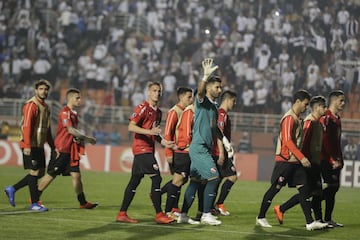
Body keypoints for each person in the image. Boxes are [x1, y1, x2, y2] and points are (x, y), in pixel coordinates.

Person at [255, 89, 328, 231]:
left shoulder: (298, 119)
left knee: (304, 189)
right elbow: (287, 141)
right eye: (305, 104)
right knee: (275, 188)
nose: (306, 107)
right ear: (298, 102)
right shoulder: (289, 118)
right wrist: (302, 157)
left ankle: (310, 222)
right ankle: (261, 216)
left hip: (295, 162)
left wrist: (300, 158)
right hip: (286, 161)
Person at [116, 81, 176, 224]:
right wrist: (150, 132)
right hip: (141, 149)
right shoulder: (142, 108)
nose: (157, 93)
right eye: (154, 90)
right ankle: (159, 214)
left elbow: (154, 134)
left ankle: (122, 213)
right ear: (148, 92)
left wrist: (164, 143)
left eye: (159, 91)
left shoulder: (158, 112)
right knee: (157, 178)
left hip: (148, 149)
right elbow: (131, 127)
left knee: (134, 181)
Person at [178, 58, 228, 226]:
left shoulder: (214, 107)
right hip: (199, 148)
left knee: (195, 182)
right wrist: (205, 76)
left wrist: (225, 142)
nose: (220, 90)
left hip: (203, 148)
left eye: (221, 87)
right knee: (214, 177)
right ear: (208, 87)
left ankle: (183, 214)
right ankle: (206, 214)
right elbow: (199, 92)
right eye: (217, 87)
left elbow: (214, 129)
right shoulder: (202, 101)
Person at [36, 88, 98, 209]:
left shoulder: (74, 114)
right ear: (70, 98)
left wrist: (78, 139)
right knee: (51, 175)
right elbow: (70, 130)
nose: (80, 100)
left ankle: (83, 202)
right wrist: (87, 139)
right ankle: (35, 198)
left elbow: (72, 133)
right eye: (77, 98)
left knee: (76, 176)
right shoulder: (65, 112)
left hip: (71, 150)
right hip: (61, 149)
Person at [273, 96, 328, 226]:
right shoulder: (309, 122)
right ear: (317, 107)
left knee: (313, 192)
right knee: (310, 192)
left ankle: (282, 209)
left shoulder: (319, 123)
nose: (326, 109)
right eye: (324, 106)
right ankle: (313, 220)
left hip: (314, 162)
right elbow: (303, 143)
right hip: (308, 163)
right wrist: (303, 159)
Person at [4, 79, 55, 211]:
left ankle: (12, 188)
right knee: (35, 171)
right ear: (36, 90)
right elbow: (26, 126)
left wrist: (52, 146)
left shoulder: (46, 108)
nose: (44, 91)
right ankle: (34, 203)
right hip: (30, 144)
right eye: (41, 89)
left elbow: (47, 129)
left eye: (46, 89)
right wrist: (26, 145)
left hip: (39, 145)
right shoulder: (31, 105)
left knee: (40, 172)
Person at [162, 87, 193, 218]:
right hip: (176, 151)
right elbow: (168, 132)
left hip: (182, 151)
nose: (191, 100)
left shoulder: (186, 111)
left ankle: (162, 198)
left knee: (182, 179)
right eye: (188, 97)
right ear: (181, 97)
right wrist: (168, 153)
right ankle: (171, 208)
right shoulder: (174, 111)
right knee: (179, 180)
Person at [319, 90, 345, 227]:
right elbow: (325, 141)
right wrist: (331, 160)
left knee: (334, 188)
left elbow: (336, 141)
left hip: (336, 159)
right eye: (341, 100)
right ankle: (312, 203)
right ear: (333, 101)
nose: (343, 103)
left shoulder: (337, 118)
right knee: (332, 187)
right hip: (326, 159)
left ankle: (328, 219)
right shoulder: (326, 117)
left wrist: (340, 158)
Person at [212, 90, 237, 216]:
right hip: (219, 152)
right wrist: (222, 152)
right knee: (232, 177)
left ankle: (213, 206)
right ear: (227, 100)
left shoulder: (221, 113)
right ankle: (218, 204)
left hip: (219, 151)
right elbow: (219, 134)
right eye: (233, 100)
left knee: (218, 179)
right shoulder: (222, 114)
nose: (235, 103)